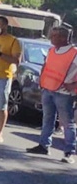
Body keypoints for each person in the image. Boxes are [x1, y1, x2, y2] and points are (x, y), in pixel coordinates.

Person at [26, 27, 77, 163]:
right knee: (47, 119)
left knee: (67, 123)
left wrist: (73, 86)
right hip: (48, 89)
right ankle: (44, 146)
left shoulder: (74, 53)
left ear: (63, 38)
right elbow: (46, 66)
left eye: (54, 36)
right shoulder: (51, 50)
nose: (51, 38)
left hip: (64, 94)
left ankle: (69, 152)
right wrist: (42, 82)